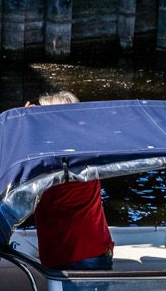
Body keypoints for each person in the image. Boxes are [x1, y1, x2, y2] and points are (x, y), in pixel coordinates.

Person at [27, 91, 112, 273]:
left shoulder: (44, 159)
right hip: (92, 249)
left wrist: (25, 120)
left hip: (68, 255)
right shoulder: (87, 150)